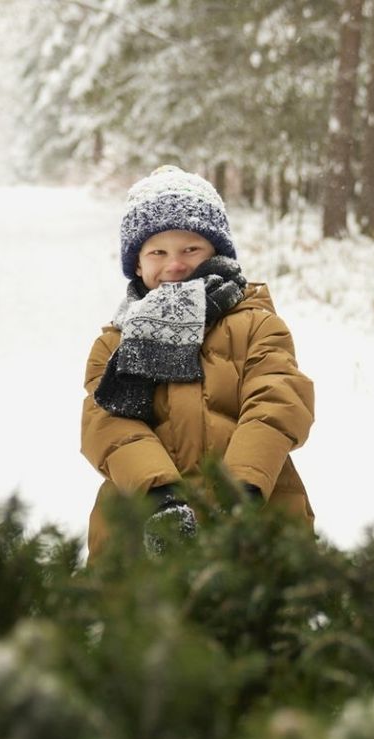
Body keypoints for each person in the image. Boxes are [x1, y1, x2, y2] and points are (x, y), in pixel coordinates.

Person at [81, 165, 314, 560]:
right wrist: (158, 496)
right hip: (144, 526)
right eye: (158, 251)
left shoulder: (256, 324)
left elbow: (276, 404)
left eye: (190, 249)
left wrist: (241, 490)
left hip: (256, 516)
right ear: (137, 263)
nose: (175, 264)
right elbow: (110, 426)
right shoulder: (115, 344)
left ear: (216, 253)